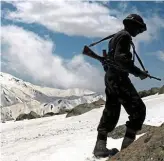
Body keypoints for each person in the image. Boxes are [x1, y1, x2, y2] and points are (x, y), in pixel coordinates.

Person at [93, 14, 148, 158]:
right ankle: (128, 150)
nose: (138, 33)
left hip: (111, 78)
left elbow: (113, 59)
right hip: (119, 78)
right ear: (133, 25)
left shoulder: (115, 37)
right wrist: (138, 73)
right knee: (139, 110)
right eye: (139, 29)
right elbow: (121, 59)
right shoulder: (124, 37)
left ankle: (100, 146)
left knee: (111, 111)